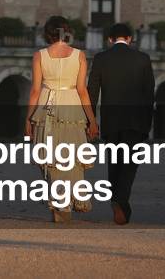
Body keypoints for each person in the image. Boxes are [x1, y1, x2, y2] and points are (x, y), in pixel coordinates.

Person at [25, 15, 99, 223]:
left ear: (47, 33)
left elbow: (35, 90)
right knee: (72, 156)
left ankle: (60, 203)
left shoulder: (39, 55)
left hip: (45, 106)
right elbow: (83, 90)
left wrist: (27, 119)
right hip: (73, 107)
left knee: (48, 157)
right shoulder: (79, 55)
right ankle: (71, 199)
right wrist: (92, 120)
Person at [86, 22, 155, 225]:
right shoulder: (143, 59)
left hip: (111, 120)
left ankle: (117, 201)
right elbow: (149, 94)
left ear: (110, 39)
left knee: (114, 163)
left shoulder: (101, 59)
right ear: (130, 39)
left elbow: (92, 91)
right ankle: (120, 200)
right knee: (130, 164)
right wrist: (147, 123)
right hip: (135, 121)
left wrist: (91, 120)